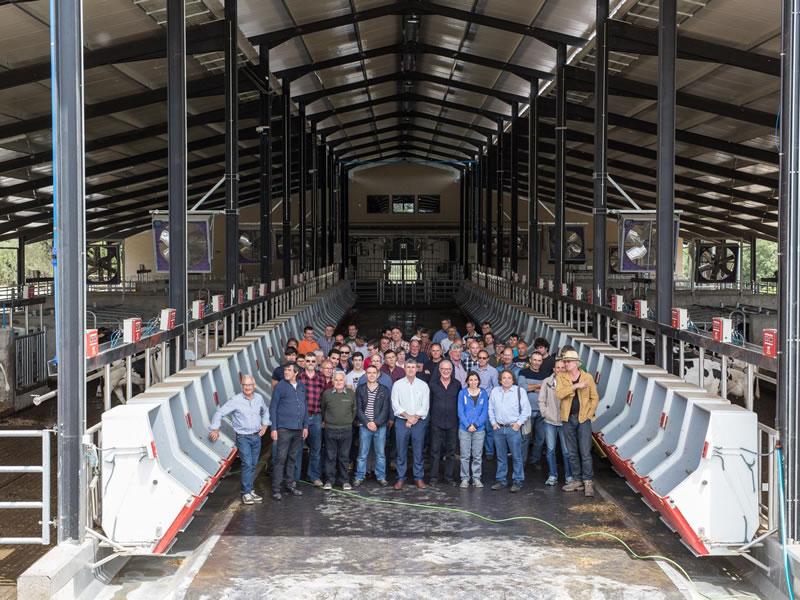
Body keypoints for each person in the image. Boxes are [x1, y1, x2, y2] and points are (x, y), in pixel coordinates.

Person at [209, 375, 270, 505]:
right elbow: (219, 412)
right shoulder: (235, 400)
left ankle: (250, 490)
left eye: (249, 385)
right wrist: (215, 428)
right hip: (243, 437)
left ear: (254, 386)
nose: (247, 387)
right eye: (244, 385)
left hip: (257, 436)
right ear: (242, 386)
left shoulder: (259, 398)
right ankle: (246, 493)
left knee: (253, 465)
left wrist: (265, 425)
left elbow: (266, 411)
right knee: (247, 463)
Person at [556, 348, 599, 497]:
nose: (566, 363)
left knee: (585, 451)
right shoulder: (561, 377)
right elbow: (559, 394)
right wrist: (575, 386)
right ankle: (577, 479)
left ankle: (587, 481)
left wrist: (588, 414)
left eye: (568, 361)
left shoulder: (587, 377)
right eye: (565, 361)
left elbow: (595, 397)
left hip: (582, 418)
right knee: (572, 451)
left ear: (576, 363)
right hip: (567, 418)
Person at [269, 364, 308, 501]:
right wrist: (274, 428)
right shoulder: (280, 386)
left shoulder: (302, 386)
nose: (286, 372)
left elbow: (305, 407)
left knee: (292, 458)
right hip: (284, 429)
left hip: (298, 429)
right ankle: (276, 489)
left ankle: (290, 484)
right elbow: (273, 407)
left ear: (296, 373)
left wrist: (305, 426)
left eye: (289, 370)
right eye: (285, 370)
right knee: (280, 459)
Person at [489, 370, 531, 493]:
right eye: (504, 378)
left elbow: (526, 410)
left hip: (513, 429)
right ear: (500, 380)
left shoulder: (519, 391)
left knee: (517, 457)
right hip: (499, 428)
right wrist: (493, 423)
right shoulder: (495, 391)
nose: (506, 380)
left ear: (513, 380)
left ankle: (518, 481)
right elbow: (490, 408)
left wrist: (518, 424)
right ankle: (501, 480)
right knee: (501, 457)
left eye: (509, 378)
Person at [391, 359, 430, 489]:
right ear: (404, 369)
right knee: (401, 451)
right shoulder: (397, 385)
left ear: (417, 369)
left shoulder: (423, 385)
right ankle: (400, 478)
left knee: (418, 451)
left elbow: (425, 405)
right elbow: (395, 403)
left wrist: (414, 418)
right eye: (408, 367)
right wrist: (408, 417)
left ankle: (418, 478)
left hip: (418, 421)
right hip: (402, 421)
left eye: (413, 367)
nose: (411, 369)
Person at [538, 359, 574, 486]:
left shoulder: (570, 382)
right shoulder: (547, 382)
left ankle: (569, 476)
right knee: (550, 449)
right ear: (554, 369)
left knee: (566, 451)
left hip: (564, 421)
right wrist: (545, 413)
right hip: (550, 421)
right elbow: (541, 400)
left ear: (565, 369)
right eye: (557, 367)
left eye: (562, 367)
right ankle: (552, 475)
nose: (559, 370)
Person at [354, 365, 391, 486]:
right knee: (362, 454)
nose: (371, 375)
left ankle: (381, 477)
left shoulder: (384, 390)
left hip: (380, 426)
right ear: (365, 375)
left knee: (380, 454)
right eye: (369, 372)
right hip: (364, 426)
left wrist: (376, 423)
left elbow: (385, 410)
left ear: (378, 374)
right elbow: (358, 409)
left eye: (374, 372)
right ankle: (359, 476)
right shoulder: (360, 389)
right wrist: (367, 422)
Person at [321, 372, 357, 491]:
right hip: (330, 430)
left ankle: (344, 481)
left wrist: (347, 422)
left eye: (341, 380)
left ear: (345, 381)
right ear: (332, 381)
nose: (338, 382)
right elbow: (323, 409)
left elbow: (354, 410)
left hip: (346, 430)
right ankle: (329, 481)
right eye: (336, 380)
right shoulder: (326, 394)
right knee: (330, 456)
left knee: (344, 456)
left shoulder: (351, 394)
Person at [428, 360, 461, 486]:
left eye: (448, 369)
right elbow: (429, 403)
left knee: (451, 452)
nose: (446, 371)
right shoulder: (433, 384)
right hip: (436, 422)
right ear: (440, 370)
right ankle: (433, 477)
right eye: (443, 369)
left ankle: (449, 477)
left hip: (452, 423)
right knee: (435, 451)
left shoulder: (457, 384)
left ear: (451, 371)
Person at [458, 372, 489, 488]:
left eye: (475, 379)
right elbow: (460, 411)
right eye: (471, 380)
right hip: (464, 429)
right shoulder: (462, 393)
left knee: (477, 455)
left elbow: (485, 411)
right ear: (467, 381)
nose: (473, 382)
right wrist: (468, 425)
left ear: (479, 381)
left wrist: (476, 425)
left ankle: (476, 478)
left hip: (479, 429)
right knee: (465, 456)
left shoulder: (483, 393)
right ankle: (465, 478)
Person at [299, 354, 326, 487]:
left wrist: (323, 417)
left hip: (316, 416)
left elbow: (324, 397)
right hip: (300, 418)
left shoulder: (321, 377)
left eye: (313, 361)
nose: (310, 363)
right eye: (308, 361)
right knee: (297, 448)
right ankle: (295, 478)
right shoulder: (298, 376)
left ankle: (314, 476)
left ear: (316, 363)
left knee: (316, 448)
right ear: (304, 362)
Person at [517, 352, 546, 468]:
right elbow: (522, 387)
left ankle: (535, 460)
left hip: (541, 411)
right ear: (530, 360)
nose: (536, 363)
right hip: (527, 412)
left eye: (539, 360)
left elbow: (547, 390)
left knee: (540, 438)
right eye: (534, 360)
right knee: (525, 438)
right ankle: (522, 462)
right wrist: (539, 386)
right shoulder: (523, 372)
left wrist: (531, 387)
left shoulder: (545, 374)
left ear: (541, 362)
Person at [475, 350, 499, 460]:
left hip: (488, 402)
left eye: (484, 358)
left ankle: (489, 451)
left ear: (488, 359)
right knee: (477, 427)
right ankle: (477, 451)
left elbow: (496, 388)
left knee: (489, 428)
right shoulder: (473, 370)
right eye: (479, 357)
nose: (481, 360)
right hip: (475, 402)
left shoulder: (493, 371)